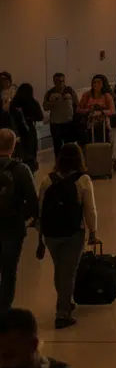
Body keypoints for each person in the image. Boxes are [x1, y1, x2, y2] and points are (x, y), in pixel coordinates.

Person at [36, 144, 98, 330]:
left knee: (60, 269)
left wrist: (40, 235)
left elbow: (40, 209)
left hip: (51, 234)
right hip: (73, 232)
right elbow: (90, 209)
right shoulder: (83, 180)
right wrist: (93, 232)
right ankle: (62, 313)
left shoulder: (48, 180)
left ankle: (66, 300)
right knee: (68, 272)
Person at [0, 130, 38, 311]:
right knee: (9, 270)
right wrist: (27, 219)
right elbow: (33, 201)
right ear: (13, 146)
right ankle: (4, 308)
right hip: (13, 227)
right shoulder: (21, 170)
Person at [42, 73, 77, 154]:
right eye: (58, 81)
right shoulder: (50, 93)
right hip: (56, 123)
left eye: (62, 81)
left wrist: (69, 98)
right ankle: (58, 163)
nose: (61, 83)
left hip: (69, 122)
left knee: (69, 145)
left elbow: (77, 103)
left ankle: (69, 163)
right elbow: (45, 107)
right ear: (54, 82)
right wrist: (52, 102)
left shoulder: (70, 90)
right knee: (57, 146)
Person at [9, 86, 42, 170]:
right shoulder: (33, 102)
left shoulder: (14, 104)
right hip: (29, 129)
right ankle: (31, 170)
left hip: (18, 130)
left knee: (20, 152)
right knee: (30, 152)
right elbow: (40, 117)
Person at [77, 74, 115, 144]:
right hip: (89, 121)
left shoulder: (107, 96)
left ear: (103, 84)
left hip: (103, 122)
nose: (95, 84)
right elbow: (78, 109)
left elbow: (112, 111)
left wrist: (101, 112)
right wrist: (88, 111)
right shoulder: (87, 95)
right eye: (94, 82)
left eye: (98, 82)